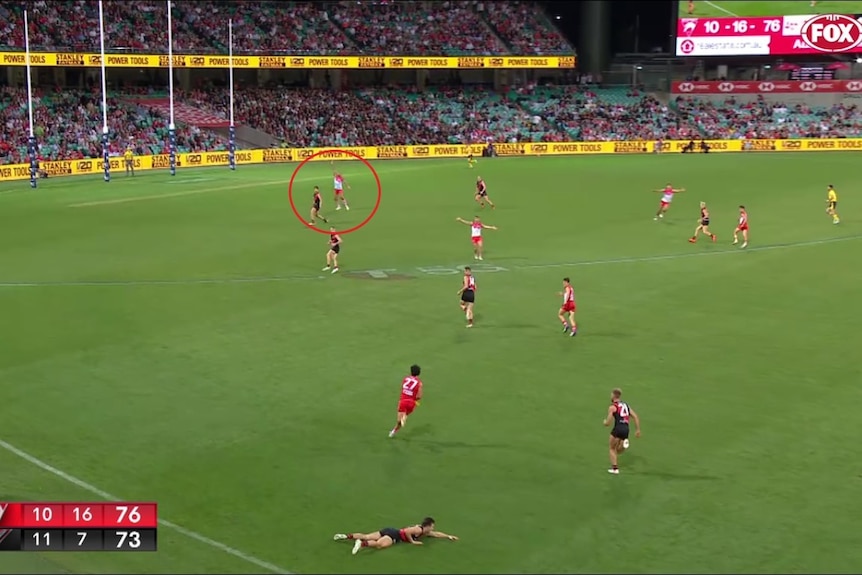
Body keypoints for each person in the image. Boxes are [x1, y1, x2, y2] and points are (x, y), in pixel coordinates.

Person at [333, 517, 458, 555]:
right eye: (432, 526)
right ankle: (361, 544)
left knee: (367, 535)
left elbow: (436, 534)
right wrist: (412, 542)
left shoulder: (425, 532)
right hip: (395, 535)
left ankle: (345, 536)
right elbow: (407, 531)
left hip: (390, 530)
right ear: (427, 525)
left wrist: (448, 536)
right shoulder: (418, 529)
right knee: (379, 545)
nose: (433, 529)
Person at [603, 388, 641, 475]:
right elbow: (635, 416)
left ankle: (615, 469)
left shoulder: (612, 407)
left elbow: (608, 423)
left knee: (612, 448)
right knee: (618, 450)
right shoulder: (626, 405)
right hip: (626, 429)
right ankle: (624, 445)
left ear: (613, 396)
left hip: (618, 428)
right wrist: (638, 430)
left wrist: (605, 422)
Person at [389, 364, 423, 438]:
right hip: (412, 403)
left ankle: (395, 428)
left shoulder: (405, 379)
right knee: (403, 417)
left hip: (403, 401)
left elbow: (403, 388)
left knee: (399, 420)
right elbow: (419, 396)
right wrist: (414, 399)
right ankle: (396, 427)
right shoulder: (419, 383)